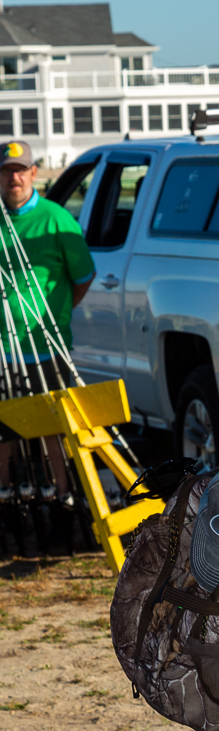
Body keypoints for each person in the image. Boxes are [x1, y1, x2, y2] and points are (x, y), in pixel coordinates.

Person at [0, 140, 94, 500]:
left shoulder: (56, 218)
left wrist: (60, 310)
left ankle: (64, 495)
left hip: (46, 349)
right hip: (3, 350)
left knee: (54, 427)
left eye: (20, 170)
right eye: (7, 171)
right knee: (5, 428)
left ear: (33, 173)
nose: (14, 178)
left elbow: (83, 276)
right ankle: (8, 495)